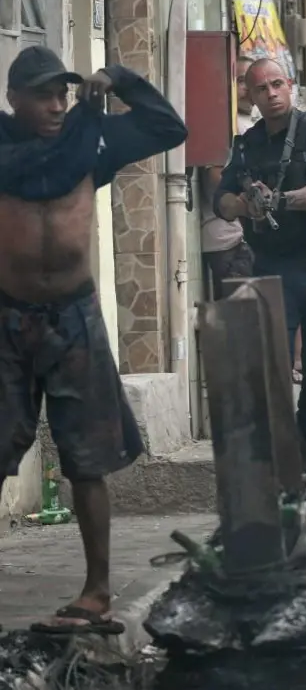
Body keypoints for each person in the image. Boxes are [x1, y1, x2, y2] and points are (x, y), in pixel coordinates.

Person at [0, 46, 188, 634]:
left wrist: (123, 77)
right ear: (14, 101)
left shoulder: (91, 140)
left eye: (64, 93)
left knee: (87, 461)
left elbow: (168, 126)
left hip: (74, 318)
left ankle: (97, 590)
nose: (57, 105)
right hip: (7, 318)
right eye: (44, 95)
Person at [213, 58, 306, 470]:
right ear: (252, 96)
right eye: (262, 88)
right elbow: (220, 200)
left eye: (277, 84)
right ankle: (276, 459)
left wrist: (281, 201)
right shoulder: (248, 144)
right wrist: (244, 205)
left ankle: (305, 444)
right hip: (273, 266)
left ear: (290, 86)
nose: (272, 93)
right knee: (268, 365)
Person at [200, 56, 255, 301]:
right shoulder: (223, 123)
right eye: (241, 80)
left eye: (251, 82)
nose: (247, 88)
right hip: (230, 241)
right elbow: (215, 179)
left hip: (248, 239)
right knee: (242, 320)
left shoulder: (252, 123)